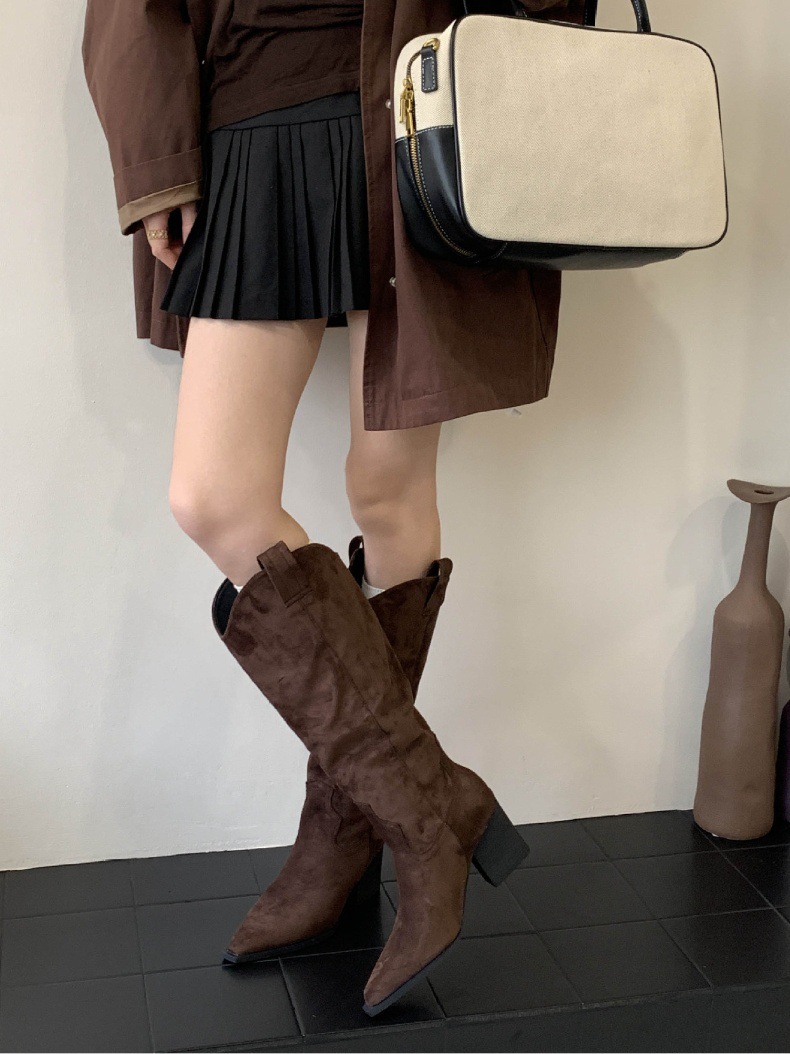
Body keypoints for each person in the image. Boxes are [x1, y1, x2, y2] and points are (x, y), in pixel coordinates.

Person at [82, 0, 582, 1016]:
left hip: (428, 105)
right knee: (216, 496)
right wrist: (157, 158)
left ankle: (343, 841)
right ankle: (429, 806)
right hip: (260, 112)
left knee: (387, 487)